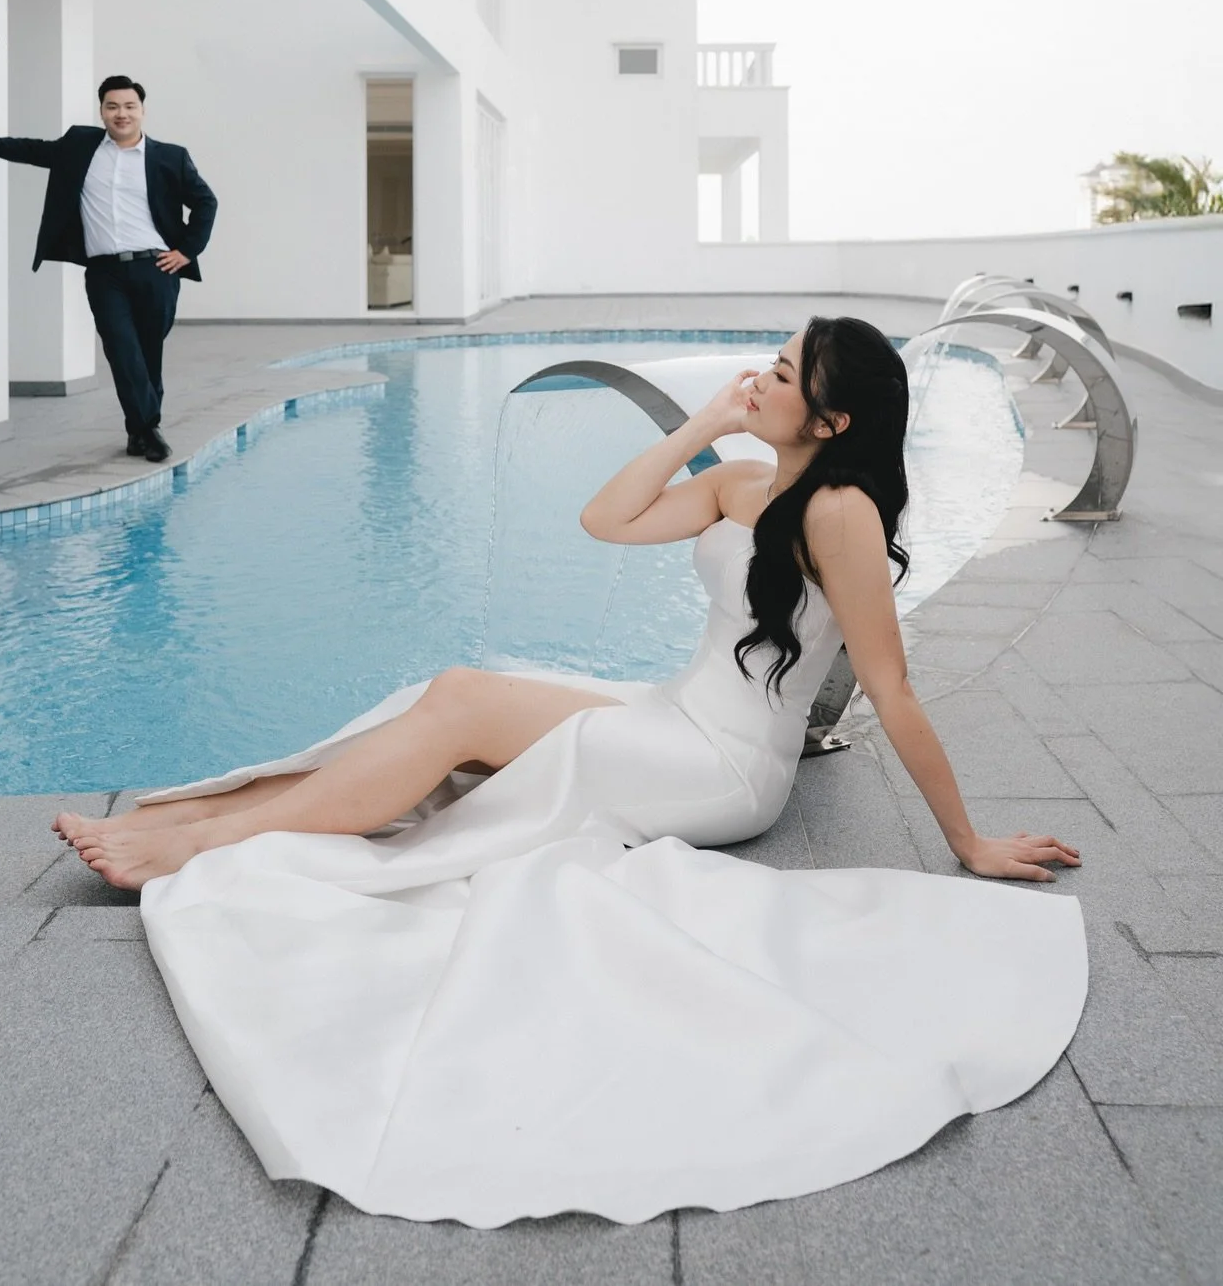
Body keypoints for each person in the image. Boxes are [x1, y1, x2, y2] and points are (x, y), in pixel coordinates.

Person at [53, 316, 1087, 1227]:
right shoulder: (741, 483)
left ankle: (200, 841)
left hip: (723, 768)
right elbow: (608, 519)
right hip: (671, 715)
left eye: (784, 374)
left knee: (462, 712)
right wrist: (698, 429)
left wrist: (967, 840)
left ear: (835, 420)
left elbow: (894, 689)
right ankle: (239, 815)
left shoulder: (842, 514)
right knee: (457, 688)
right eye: (768, 362)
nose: (761, 381)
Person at [0, 76, 217, 463]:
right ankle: (150, 429)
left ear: (142, 111)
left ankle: (137, 431)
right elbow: (33, 150)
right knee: (121, 348)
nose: (121, 113)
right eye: (112, 106)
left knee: (147, 355)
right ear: (102, 111)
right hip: (104, 273)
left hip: (156, 269)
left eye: (129, 106)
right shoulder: (81, 145)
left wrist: (186, 252)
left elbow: (206, 202)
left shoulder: (169, 157)